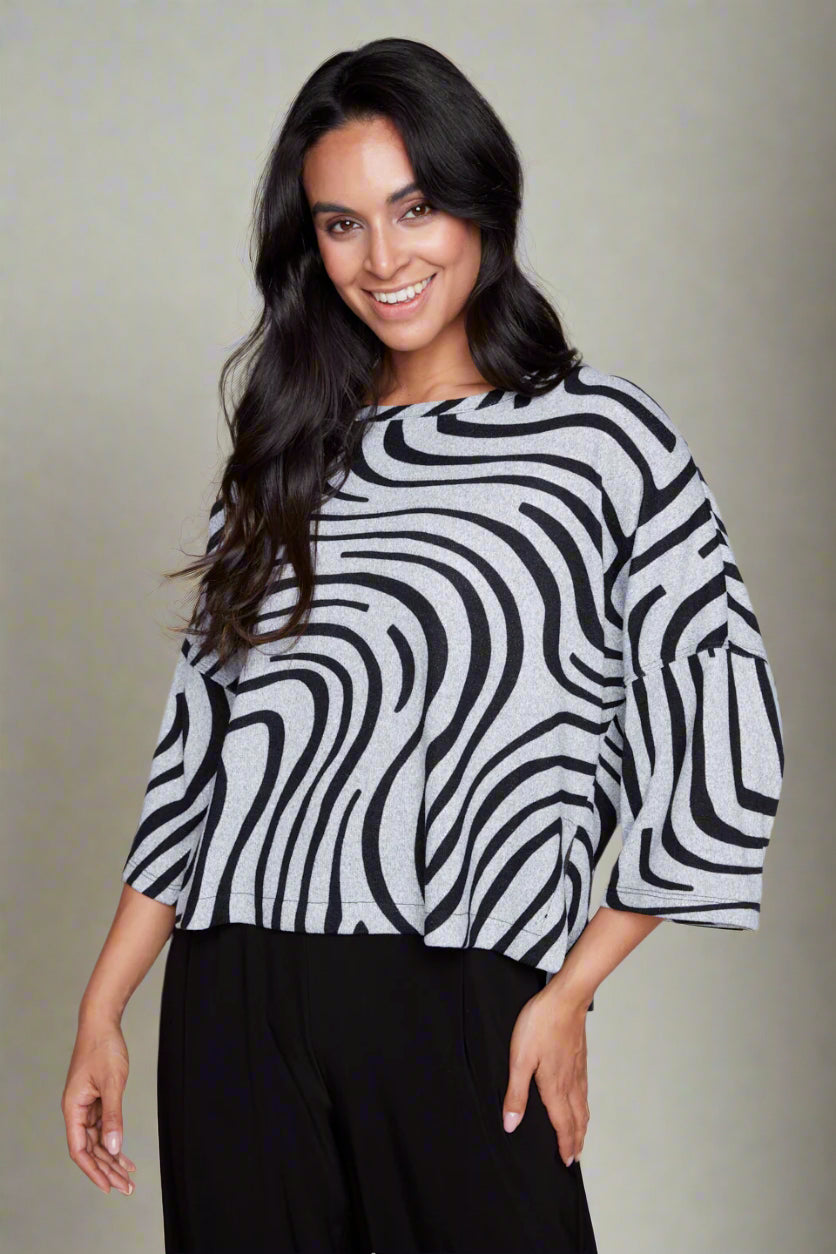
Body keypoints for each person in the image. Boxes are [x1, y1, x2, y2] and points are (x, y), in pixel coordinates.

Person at [61, 36, 785, 1254]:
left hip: (458, 988)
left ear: (480, 201)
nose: (384, 259)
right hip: (234, 992)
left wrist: (569, 989)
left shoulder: (600, 441)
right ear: (309, 245)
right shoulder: (289, 454)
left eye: (414, 208)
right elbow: (198, 755)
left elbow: (726, 745)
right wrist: (104, 1004)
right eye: (341, 225)